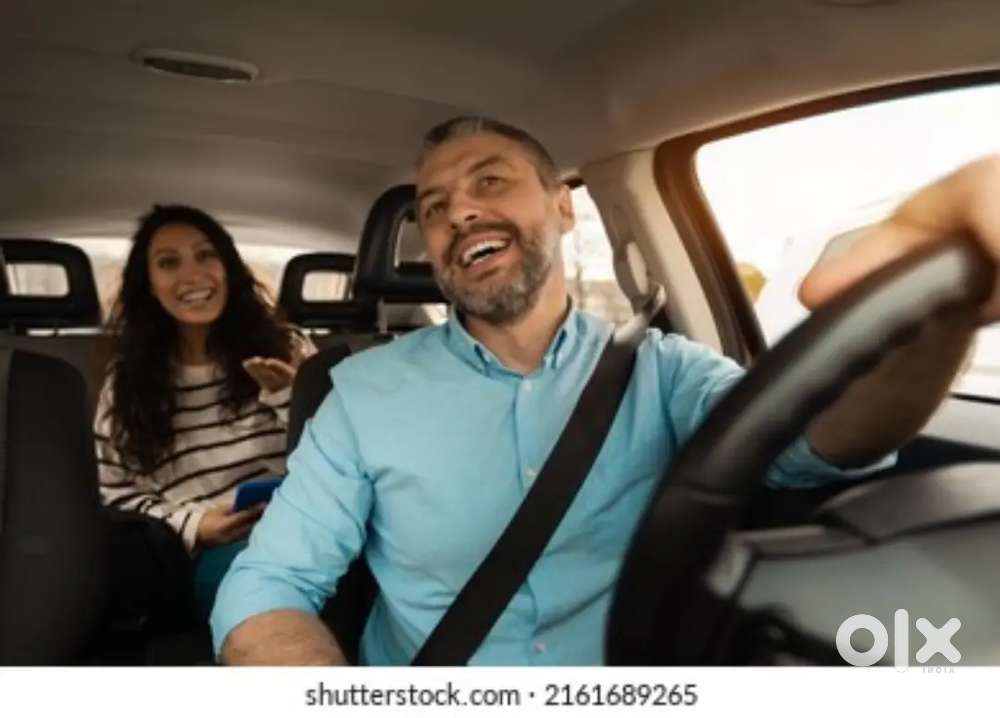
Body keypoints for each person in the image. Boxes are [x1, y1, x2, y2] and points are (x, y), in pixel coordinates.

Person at [211, 117, 996, 665]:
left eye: (491, 181)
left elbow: (818, 443)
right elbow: (270, 581)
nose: (461, 213)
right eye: (434, 209)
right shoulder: (360, 393)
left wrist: (939, 307)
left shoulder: (666, 370)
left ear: (562, 206)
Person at [95, 204, 314, 620]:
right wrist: (194, 527)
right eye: (169, 263)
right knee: (265, 593)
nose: (192, 275)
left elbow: (340, 456)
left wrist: (290, 396)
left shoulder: (287, 347)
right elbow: (114, 494)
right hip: (222, 553)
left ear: (227, 267)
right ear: (149, 285)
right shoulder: (124, 383)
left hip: (314, 529)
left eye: (205, 255)